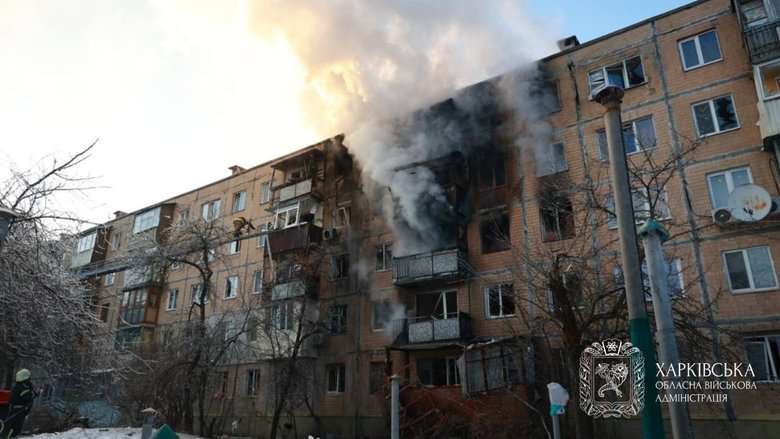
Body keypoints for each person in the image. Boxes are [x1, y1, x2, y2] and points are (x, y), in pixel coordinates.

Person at [1, 369, 36, 438]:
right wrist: (35, 393)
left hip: (16, 409)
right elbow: (27, 396)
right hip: (18, 410)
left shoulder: (18, 386)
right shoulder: (22, 387)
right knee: (15, 426)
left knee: (13, 426)